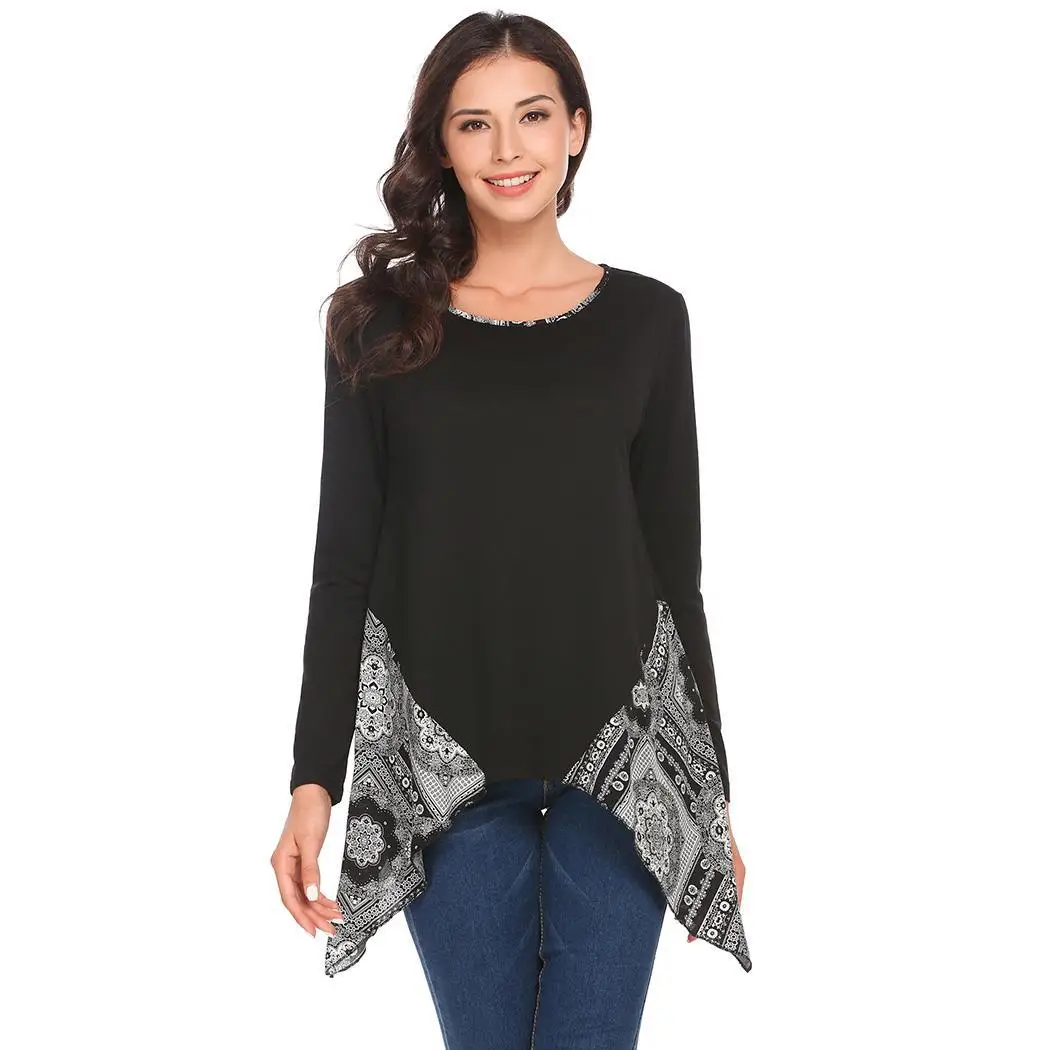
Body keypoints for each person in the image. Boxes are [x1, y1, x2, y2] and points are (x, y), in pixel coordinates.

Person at [271, 10, 750, 1048]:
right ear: (441, 146)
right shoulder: (376, 324)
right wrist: (314, 780)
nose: (507, 149)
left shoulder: (649, 320)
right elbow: (341, 565)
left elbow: (677, 572)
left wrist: (713, 794)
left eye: (532, 116)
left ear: (576, 128)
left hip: (621, 764)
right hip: (442, 766)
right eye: (473, 123)